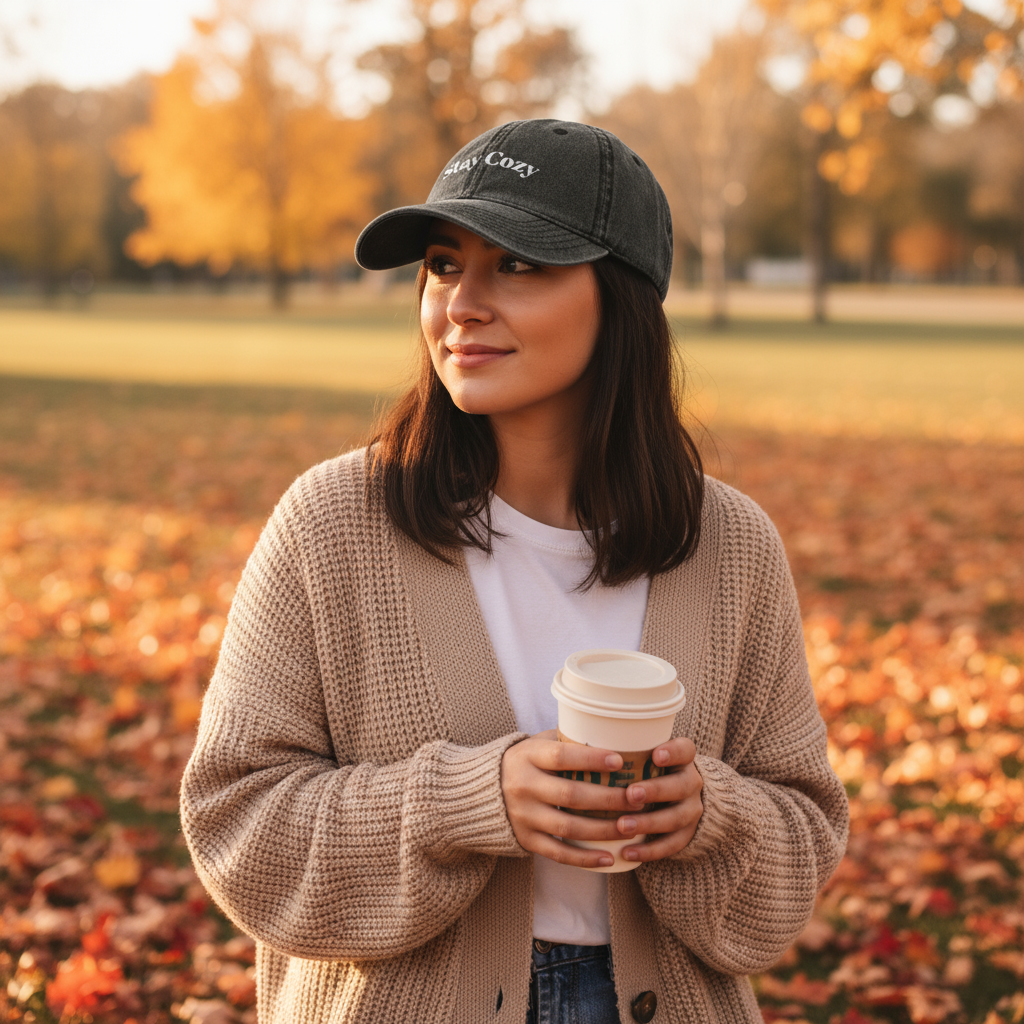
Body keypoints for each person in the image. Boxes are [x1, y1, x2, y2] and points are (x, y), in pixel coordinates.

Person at [180, 119, 849, 1024]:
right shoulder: (331, 526)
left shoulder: (730, 547)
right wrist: (467, 800)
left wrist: (707, 818)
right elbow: (234, 824)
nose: (462, 304)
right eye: (446, 265)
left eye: (520, 266)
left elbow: (803, 840)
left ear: (622, 299)